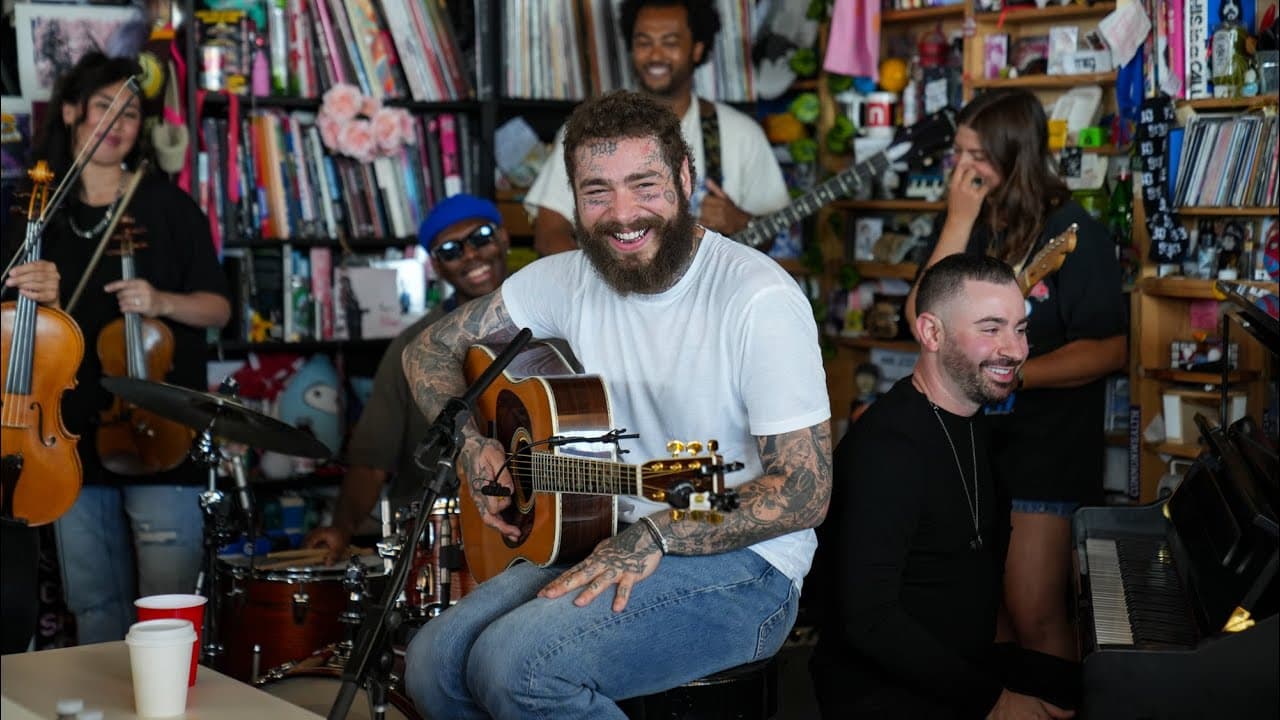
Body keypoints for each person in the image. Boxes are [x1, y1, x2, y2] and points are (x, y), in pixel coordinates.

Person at [401, 89, 831, 719]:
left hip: (746, 566)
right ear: (572, 196)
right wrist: (472, 444)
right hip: (606, 528)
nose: (623, 214)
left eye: (645, 184)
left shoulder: (757, 297)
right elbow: (427, 352)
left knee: (515, 668)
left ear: (685, 177)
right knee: (431, 662)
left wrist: (659, 531)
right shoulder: (564, 279)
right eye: (597, 191)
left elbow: (805, 490)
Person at [1, 52, 231, 645]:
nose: (119, 122)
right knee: (96, 607)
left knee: (168, 611)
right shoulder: (36, 211)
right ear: (74, 111)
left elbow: (219, 308)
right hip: (65, 440)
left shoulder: (170, 206)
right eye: (106, 106)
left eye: (131, 112)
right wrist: (30, 293)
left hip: (159, 435)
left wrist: (161, 301)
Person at [905, 88, 1128, 662]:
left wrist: (1017, 375)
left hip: (1045, 453)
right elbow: (922, 320)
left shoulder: (1077, 233)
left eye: (977, 154)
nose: (963, 167)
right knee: (986, 613)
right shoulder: (970, 221)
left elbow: (1110, 350)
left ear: (1014, 154)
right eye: (959, 151)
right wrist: (958, 220)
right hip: (974, 451)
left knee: (1035, 611)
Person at [810, 253, 1078, 719]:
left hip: (955, 668)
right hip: (882, 691)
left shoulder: (973, 420)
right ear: (931, 333)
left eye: (1020, 328)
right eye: (991, 329)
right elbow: (868, 620)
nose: (1014, 350)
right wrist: (995, 704)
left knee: (1108, 687)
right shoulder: (889, 449)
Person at [304, 194, 511, 564]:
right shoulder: (413, 346)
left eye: (481, 237)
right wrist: (341, 529)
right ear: (436, 266)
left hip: (533, 517)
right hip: (438, 534)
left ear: (504, 238)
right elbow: (371, 461)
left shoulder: (550, 320)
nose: (471, 255)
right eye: (451, 250)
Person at [524, 0, 789, 256]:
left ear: (697, 49)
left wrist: (740, 221)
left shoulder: (739, 133)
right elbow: (549, 234)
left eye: (670, 43)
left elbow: (768, 239)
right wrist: (598, 291)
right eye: (644, 42)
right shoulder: (591, 130)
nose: (655, 55)